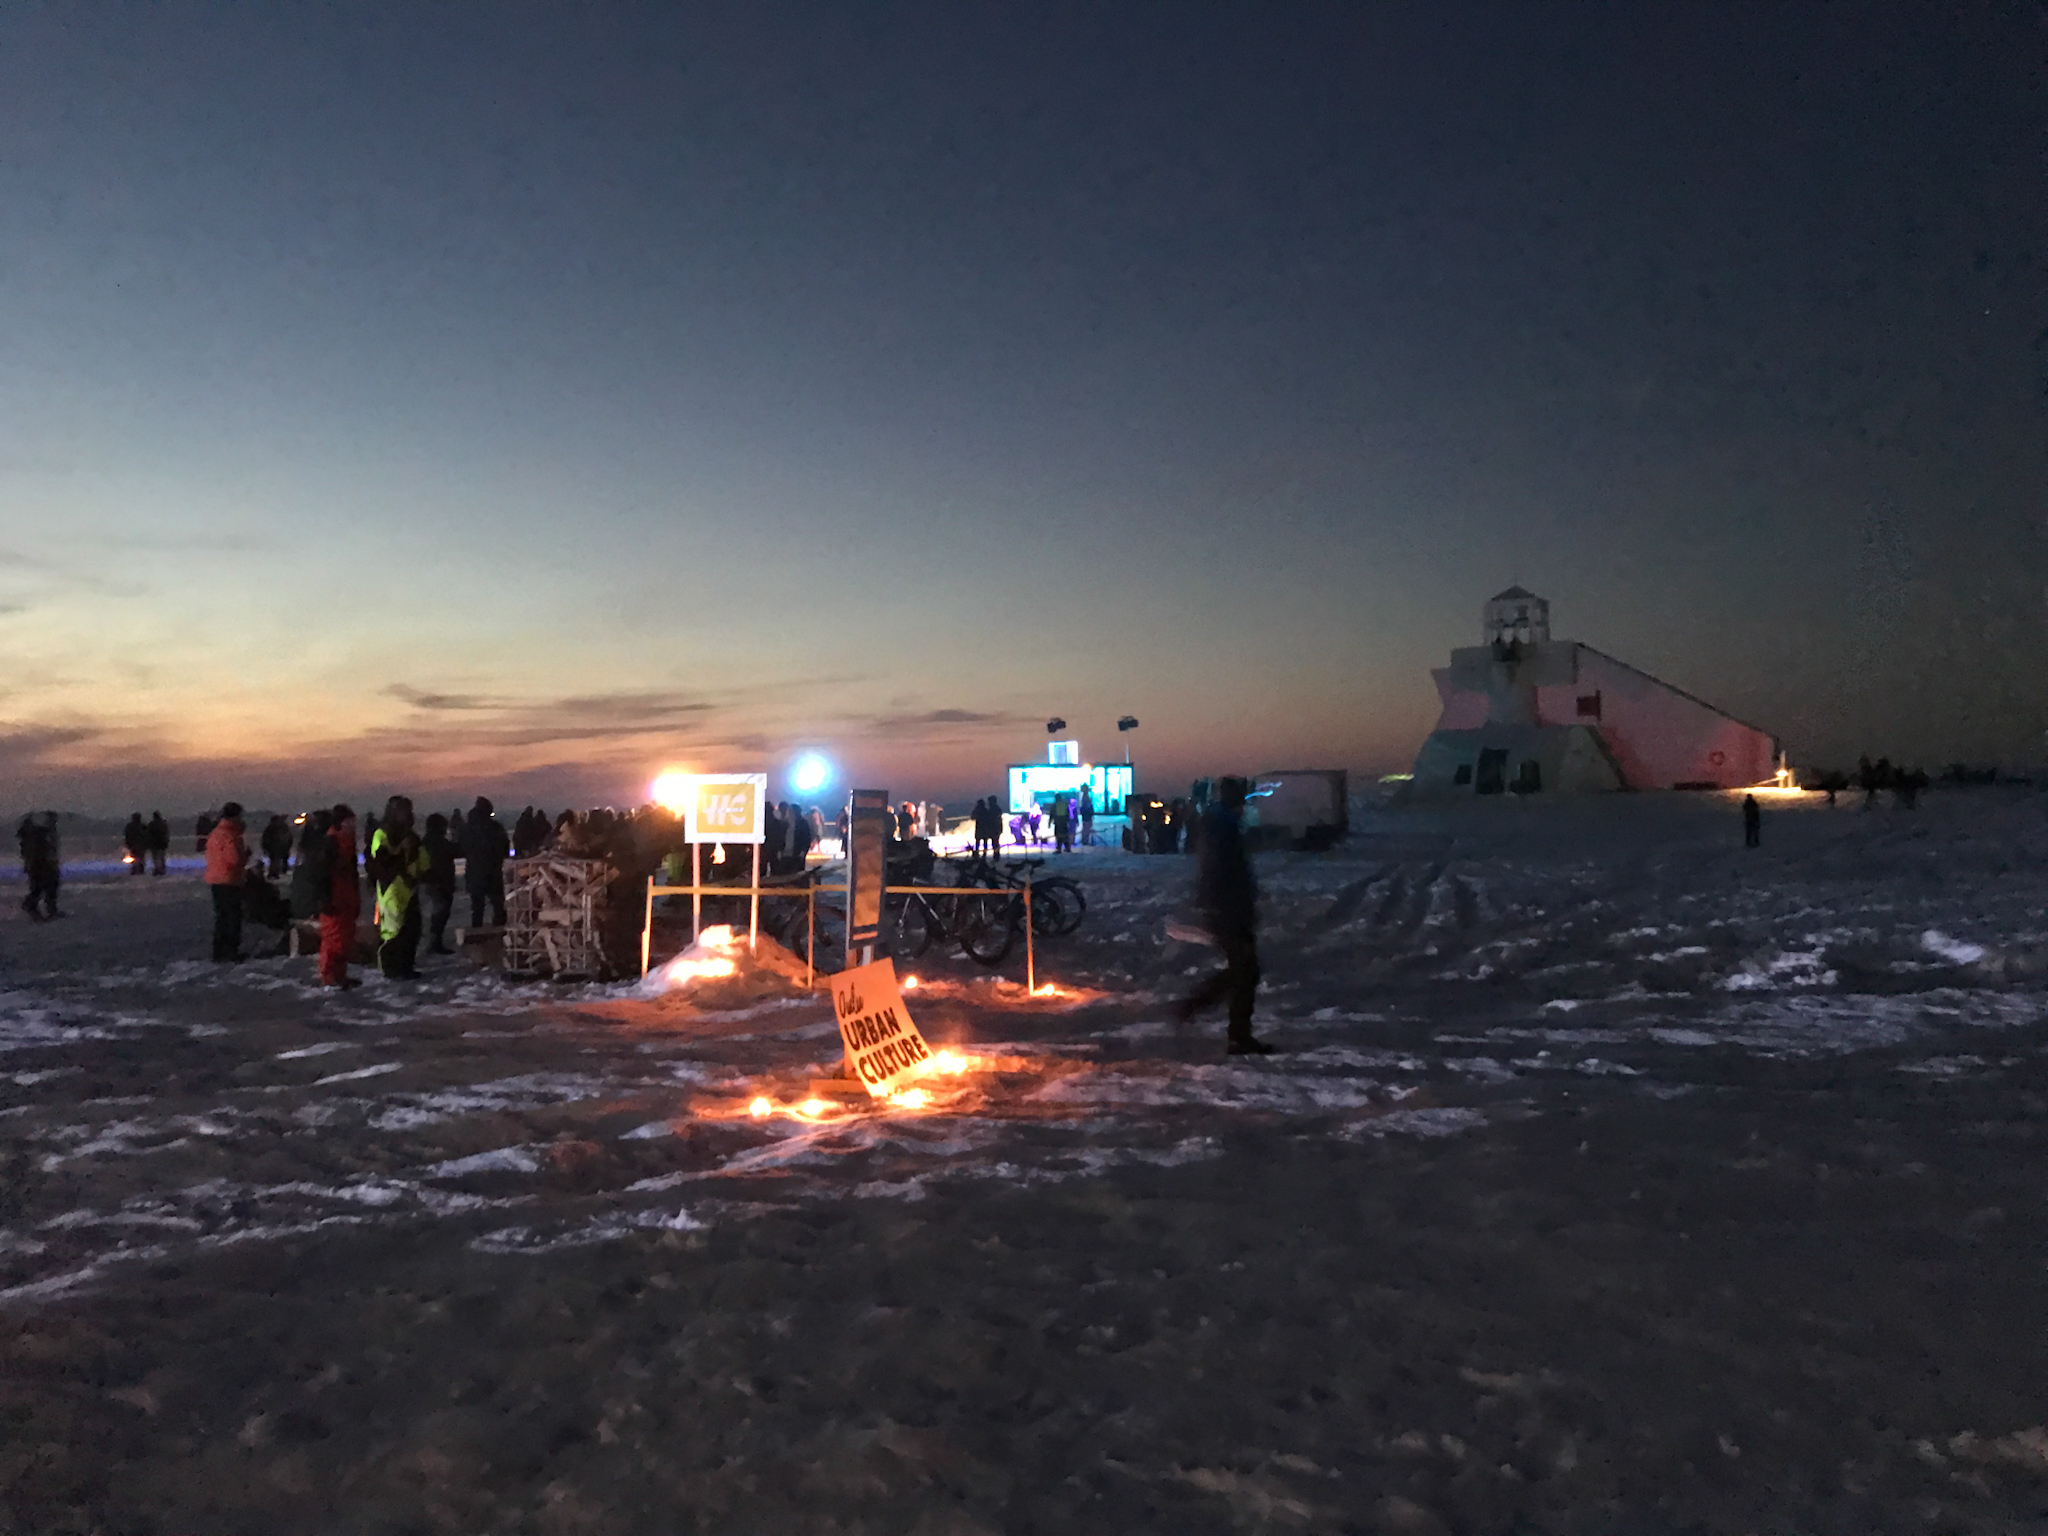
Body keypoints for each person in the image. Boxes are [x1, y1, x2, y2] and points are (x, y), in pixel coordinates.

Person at [1177, 777, 1271, 1055]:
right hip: (1229, 908)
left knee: (1243, 969)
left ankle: (1207, 1012)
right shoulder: (1222, 828)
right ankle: (1230, 1029)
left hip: (1229, 907)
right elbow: (1222, 871)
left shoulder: (1220, 824)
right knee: (1245, 970)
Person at [368, 795, 427, 979]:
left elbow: (421, 858)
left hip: (409, 887)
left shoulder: (411, 835)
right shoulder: (382, 833)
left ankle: (406, 966)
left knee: (412, 928)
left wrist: (423, 873)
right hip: (391, 888)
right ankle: (391, 969)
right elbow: (381, 860)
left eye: (407, 810)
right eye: (402, 810)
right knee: (393, 932)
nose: (406, 814)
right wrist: (401, 847)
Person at [320, 805, 362, 989]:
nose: (352, 825)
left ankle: (340, 975)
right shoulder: (331, 843)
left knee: (345, 938)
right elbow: (321, 875)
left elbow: (352, 872)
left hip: (346, 895)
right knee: (333, 939)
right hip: (334, 897)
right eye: (349, 822)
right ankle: (329, 976)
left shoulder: (347, 842)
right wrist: (325, 899)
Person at [204, 802, 250, 961]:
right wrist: (245, 856)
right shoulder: (231, 835)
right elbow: (234, 859)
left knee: (221, 918)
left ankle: (219, 951)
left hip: (215, 879)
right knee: (232, 918)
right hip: (230, 879)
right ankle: (231, 952)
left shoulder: (216, 833)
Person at [463, 796, 510, 928]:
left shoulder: (468, 828)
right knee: (498, 904)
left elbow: (462, 846)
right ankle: (499, 929)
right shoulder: (495, 827)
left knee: (477, 907)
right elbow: (504, 846)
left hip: (474, 871)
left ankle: (477, 930)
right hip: (493, 871)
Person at [419, 812, 459, 955]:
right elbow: (457, 850)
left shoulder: (425, 841)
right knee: (440, 914)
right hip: (440, 882)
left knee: (436, 914)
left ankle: (434, 942)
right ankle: (435, 943)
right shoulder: (440, 842)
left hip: (431, 882)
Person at [18, 812, 60, 920]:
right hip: (40, 865)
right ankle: (33, 906)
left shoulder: (37, 835)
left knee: (47, 886)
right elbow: (36, 851)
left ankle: (49, 909)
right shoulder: (36, 836)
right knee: (43, 886)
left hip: (41, 864)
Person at [261, 813, 293, 880]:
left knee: (274, 860)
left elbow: (265, 838)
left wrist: (265, 846)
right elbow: (289, 837)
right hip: (281, 846)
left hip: (274, 846)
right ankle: (276, 872)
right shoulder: (283, 827)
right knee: (277, 860)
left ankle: (274, 873)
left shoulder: (271, 827)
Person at [146, 810, 169, 875]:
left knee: (155, 857)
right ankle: (162, 868)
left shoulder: (151, 824)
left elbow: (148, 834)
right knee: (161, 857)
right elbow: (166, 833)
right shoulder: (163, 824)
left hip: (154, 843)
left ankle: (157, 868)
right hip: (162, 843)